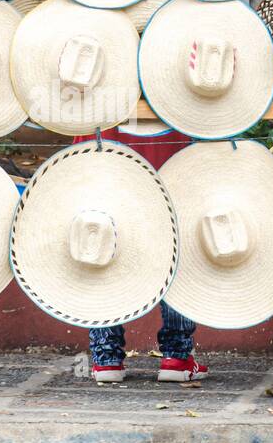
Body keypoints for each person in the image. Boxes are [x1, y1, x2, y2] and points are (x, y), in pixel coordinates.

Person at [79, 125, 208, 385]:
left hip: (108, 153)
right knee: (174, 244)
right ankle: (177, 357)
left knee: (105, 247)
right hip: (167, 152)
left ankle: (106, 359)